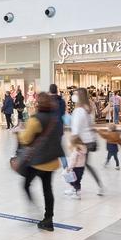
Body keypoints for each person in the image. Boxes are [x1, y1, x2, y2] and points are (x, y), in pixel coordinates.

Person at [17, 92, 65, 232]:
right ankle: (48, 219)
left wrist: (21, 131)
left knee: (25, 184)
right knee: (47, 189)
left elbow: (25, 139)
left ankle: (33, 208)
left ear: (38, 104)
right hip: (52, 161)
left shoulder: (35, 119)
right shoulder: (56, 119)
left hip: (37, 161)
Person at [69, 89, 103, 195]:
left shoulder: (79, 111)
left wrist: (72, 142)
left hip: (82, 141)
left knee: (77, 165)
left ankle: (76, 188)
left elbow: (76, 128)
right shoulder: (87, 109)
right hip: (89, 140)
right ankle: (77, 187)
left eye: (75, 94)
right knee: (83, 165)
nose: (73, 96)